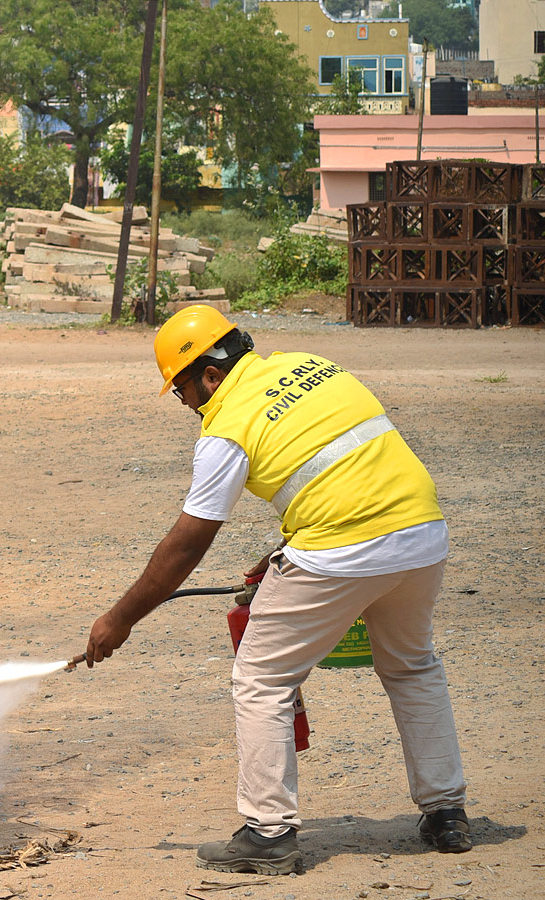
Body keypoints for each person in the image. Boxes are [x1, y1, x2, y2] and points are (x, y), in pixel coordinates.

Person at [85, 305, 469, 875]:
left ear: (210, 374)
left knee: (262, 678)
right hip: (420, 534)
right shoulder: (310, 366)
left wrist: (119, 619)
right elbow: (344, 467)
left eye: (183, 391)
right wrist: (288, 546)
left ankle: (268, 833)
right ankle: (447, 812)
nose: (187, 404)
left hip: (343, 550)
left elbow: (189, 542)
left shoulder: (229, 424)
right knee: (412, 667)